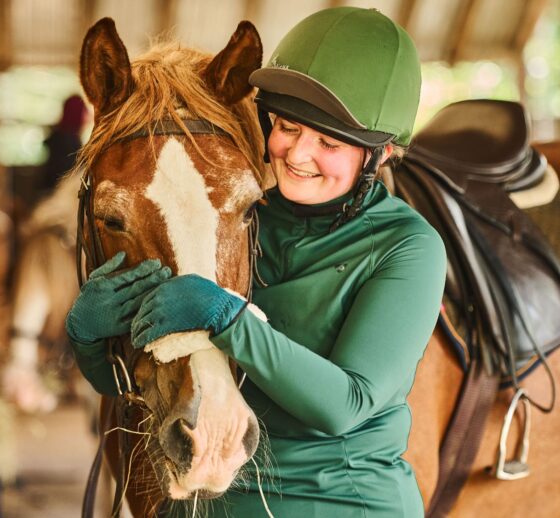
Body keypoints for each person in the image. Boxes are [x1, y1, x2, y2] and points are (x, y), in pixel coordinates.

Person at [66, 7, 446, 517]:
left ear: (379, 156)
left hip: (337, 505)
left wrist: (228, 316)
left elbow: (346, 406)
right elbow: (146, 378)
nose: (298, 154)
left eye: (328, 143)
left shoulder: (409, 247)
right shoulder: (233, 216)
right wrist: (90, 338)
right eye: (288, 127)